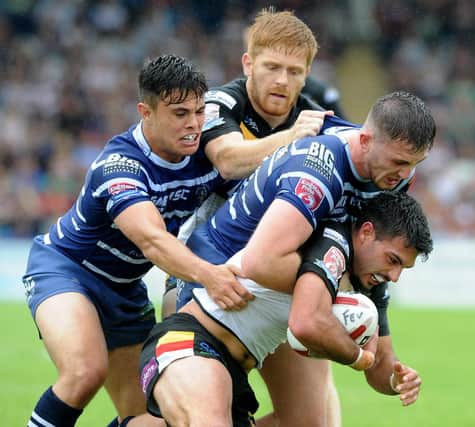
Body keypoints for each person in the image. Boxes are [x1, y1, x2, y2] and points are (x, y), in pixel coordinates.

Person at [171, 90, 435, 426]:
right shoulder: (318, 170)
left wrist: (397, 377)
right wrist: (334, 292)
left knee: (309, 422)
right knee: (194, 418)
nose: (406, 174)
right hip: (212, 279)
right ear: (365, 140)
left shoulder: (388, 179)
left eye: (415, 164)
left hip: (276, 288)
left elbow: (364, 271)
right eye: (400, 161)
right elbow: (261, 262)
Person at [20, 54, 244, 427]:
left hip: (125, 290)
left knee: (151, 418)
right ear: (146, 111)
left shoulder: (207, 153)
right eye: (179, 113)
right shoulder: (119, 165)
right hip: (67, 270)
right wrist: (212, 277)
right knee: (84, 373)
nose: (193, 124)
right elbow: (153, 241)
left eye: (199, 111)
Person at [140, 191, 433, 426]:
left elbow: (380, 360)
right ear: (366, 232)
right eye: (392, 260)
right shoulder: (329, 246)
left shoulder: (370, 281)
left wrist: (398, 380)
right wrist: (357, 357)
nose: (394, 276)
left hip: (234, 373)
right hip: (189, 342)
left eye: (402, 269)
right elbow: (307, 326)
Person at [160, 8, 330, 318]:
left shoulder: (315, 120)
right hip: (204, 263)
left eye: (294, 71)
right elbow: (228, 161)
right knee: (179, 354)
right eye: (272, 67)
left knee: (317, 366)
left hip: (271, 271)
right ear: (248, 64)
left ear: (307, 75)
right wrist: (293, 137)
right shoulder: (217, 104)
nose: (282, 80)